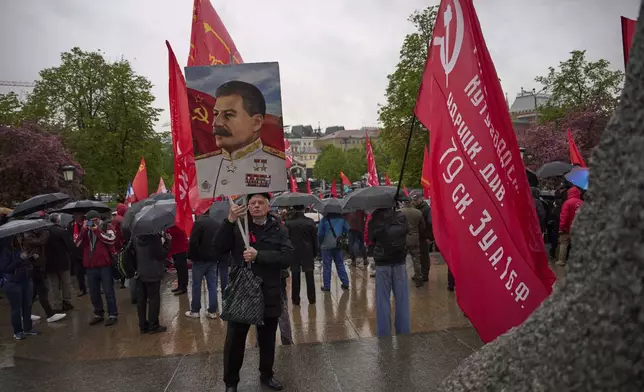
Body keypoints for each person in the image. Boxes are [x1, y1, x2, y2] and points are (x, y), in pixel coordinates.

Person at [214, 193, 293, 392]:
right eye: (252, 203)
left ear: (268, 207)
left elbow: (287, 257)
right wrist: (229, 220)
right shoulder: (237, 227)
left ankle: (267, 374)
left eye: (260, 203)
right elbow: (217, 248)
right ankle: (231, 382)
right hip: (243, 289)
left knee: (267, 338)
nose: (256, 206)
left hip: (270, 289)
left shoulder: (279, 228)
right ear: (247, 207)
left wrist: (259, 256)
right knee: (235, 339)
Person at [194, 81, 286, 198]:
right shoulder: (203, 166)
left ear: (256, 123)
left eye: (228, 115)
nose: (216, 123)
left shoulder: (276, 165)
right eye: (215, 114)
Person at [368, 207, 411, 337]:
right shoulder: (402, 217)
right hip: (399, 261)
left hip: (382, 263)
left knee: (382, 300)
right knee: (402, 299)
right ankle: (403, 331)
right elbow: (405, 231)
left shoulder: (375, 219)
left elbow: (371, 238)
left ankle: (384, 332)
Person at [75, 210, 118, 326]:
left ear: (99, 219)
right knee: (94, 292)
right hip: (90, 266)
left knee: (108, 291)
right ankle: (98, 313)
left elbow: (111, 239)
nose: (93, 222)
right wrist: (83, 230)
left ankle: (112, 314)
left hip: (105, 265)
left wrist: (97, 230)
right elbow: (77, 243)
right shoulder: (85, 229)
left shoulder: (106, 226)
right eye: (91, 221)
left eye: (95, 220)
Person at [186, 211, 226, 319]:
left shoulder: (198, 223)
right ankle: (212, 310)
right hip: (213, 259)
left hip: (199, 260)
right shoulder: (216, 223)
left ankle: (195, 310)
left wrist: (191, 256)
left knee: (196, 285)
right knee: (212, 285)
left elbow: (193, 242)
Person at [0, 234, 40, 340]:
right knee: (16, 308)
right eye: (18, 237)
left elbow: (25, 263)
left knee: (27, 305)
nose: (21, 238)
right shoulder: (6, 251)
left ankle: (28, 328)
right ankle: (17, 331)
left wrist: (32, 258)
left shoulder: (22, 247)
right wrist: (19, 259)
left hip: (26, 280)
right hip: (13, 283)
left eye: (21, 236)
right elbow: (5, 268)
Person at [23, 228, 67, 323]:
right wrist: (45, 232)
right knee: (42, 290)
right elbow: (42, 241)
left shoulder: (32, 235)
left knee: (34, 292)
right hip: (34, 267)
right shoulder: (28, 236)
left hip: (38, 266)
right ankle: (49, 314)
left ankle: (26, 313)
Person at [133, 231, 171, 334]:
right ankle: (153, 325)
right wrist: (167, 242)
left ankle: (142, 325)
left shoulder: (135, 237)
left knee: (141, 301)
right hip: (153, 273)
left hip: (140, 272)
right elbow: (161, 254)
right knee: (154, 300)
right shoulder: (154, 237)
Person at [284, 205, 317, 305]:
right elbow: (314, 239)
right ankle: (312, 299)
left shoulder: (288, 223)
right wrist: (315, 252)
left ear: (294, 209)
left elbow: (286, 240)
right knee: (309, 276)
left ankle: (295, 299)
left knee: (295, 275)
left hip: (294, 252)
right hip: (308, 252)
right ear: (303, 209)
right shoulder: (310, 222)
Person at [46, 214, 75, 312]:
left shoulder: (45, 232)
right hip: (63, 261)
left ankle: (56, 305)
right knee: (65, 283)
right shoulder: (62, 231)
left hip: (49, 262)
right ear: (58, 221)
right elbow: (69, 246)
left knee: (54, 285)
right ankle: (67, 302)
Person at [318, 211, 350, 291]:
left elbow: (320, 234)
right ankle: (345, 283)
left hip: (326, 246)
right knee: (340, 264)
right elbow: (347, 229)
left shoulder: (324, 219)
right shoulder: (341, 219)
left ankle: (327, 286)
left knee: (327, 266)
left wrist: (321, 243)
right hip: (338, 244)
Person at [400, 199, 426, 287]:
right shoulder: (418, 212)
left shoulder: (399, 212)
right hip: (414, 239)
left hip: (402, 239)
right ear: (411, 202)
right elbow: (423, 226)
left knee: (401, 260)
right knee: (416, 260)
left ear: (404, 203)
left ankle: (401, 279)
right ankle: (418, 278)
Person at [557, 186, 584, 266]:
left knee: (563, 244)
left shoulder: (567, 203)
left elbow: (564, 216)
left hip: (567, 229)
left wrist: (561, 228)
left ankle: (561, 261)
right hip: (578, 229)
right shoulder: (582, 203)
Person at [411, 191, 432, 282]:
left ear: (421, 198)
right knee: (417, 256)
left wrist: (429, 237)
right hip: (417, 235)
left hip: (424, 236)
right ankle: (418, 273)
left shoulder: (426, 209)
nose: (415, 201)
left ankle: (425, 274)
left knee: (424, 256)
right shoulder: (414, 208)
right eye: (414, 200)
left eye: (416, 199)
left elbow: (430, 224)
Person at [68, 212, 87, 296]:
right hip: (76, 252)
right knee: (79, 273)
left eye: (78, 215)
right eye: (75, 215)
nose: (76, 217)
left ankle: (98, 288)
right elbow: (69, 237)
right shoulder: (71, 224)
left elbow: (95, 230)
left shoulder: (88, 222)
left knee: (91, 271)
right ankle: (82, 289)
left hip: (87, 250)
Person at [167, 225, 189, 296]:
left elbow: (176, 232)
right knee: (179, 269)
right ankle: (180, 286)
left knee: (182, 270)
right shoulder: (173, 226)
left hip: (181, 250)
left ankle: (183, 287)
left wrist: (169, 231)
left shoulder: (178, 226)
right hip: (176, 250)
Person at [111, 203, 128, 289]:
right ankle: (122, 280)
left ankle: (117, 278)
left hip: (114, 244)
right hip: (121, 244)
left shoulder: (114, 220)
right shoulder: (122, 220)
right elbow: (123, 234)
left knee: (117, 262)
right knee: (122, 262)